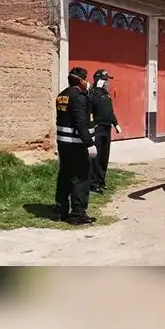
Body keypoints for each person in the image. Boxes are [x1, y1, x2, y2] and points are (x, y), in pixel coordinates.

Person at [54, 67, 97, 225]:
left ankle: (61, 210)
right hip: (77, 145)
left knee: (64, 176)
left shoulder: (62, 95)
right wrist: (89, 143)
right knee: (81, 178)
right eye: (86, 79)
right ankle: (78, 213)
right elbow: (80, 122)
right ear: (81, 80)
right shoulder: (78, 97)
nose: (87, 82)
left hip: (63, 144)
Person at [87, 69, 121, 194]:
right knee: (96, 156)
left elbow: (110, 112)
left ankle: (101, 180)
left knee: (104, 156)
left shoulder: (106, 95)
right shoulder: (92, 93)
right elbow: (89, 110)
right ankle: (93, 183)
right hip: (97, 128)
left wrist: (116, 124)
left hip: (107, 128)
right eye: (106, 80)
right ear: (100, 80)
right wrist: (91, 125)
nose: (108, 83)